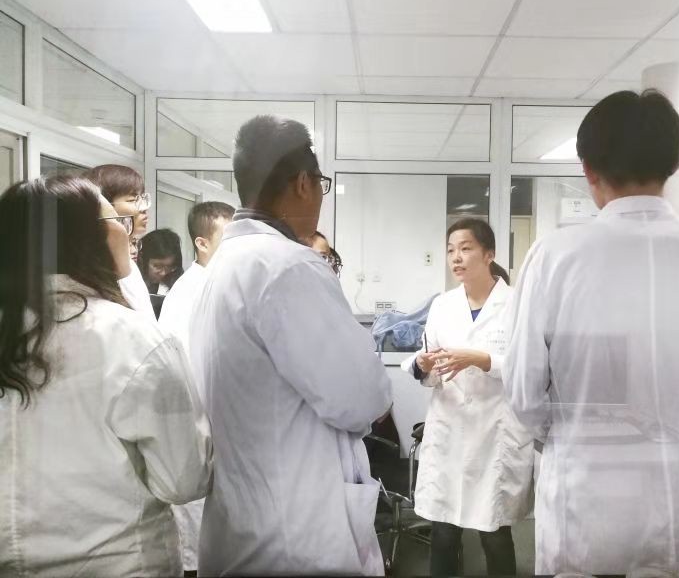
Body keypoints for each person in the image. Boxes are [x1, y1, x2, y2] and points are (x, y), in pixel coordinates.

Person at [503, 90, 679, 578]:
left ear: (588, 169)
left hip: (588, 523)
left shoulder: (555, 257)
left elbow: (524, 396)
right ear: (674, 165)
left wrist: (574, 433)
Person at [192, 115, 392, 576]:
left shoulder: (223, 267)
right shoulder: (287, 266)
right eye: (320, 184)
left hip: (246, 525)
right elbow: (363, 399)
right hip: (295, 536)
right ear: (304, 183)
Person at [0, 174, 212, 577]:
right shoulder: (132, 339)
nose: (129, 233)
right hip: (118, 562)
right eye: (117, 220)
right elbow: (183, 480)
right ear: (83, 238)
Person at [401, 218, 533, 576]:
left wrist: (481, 359)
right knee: (444, 532)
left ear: (489, 254)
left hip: (494, 434)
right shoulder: (443, 305)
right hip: (450, 432)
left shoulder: (517, 304)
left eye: (465, 248)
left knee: (494, 532)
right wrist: (424, 364)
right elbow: (430, 368)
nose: (456, 257)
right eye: (450, 250)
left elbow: (529, 367)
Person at [158, 201, 233, 575]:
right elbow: (187, 374)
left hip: (218, 433)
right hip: (200, 432)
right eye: (228, 239)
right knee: (199, 551)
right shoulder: (189, 294)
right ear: (202, 243)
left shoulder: (216, 286)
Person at [86, 164, 155, 319]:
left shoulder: (127, 263)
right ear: (103, 205)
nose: (144, 208)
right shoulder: (101, 266)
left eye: (142, 198)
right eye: (133, 200)